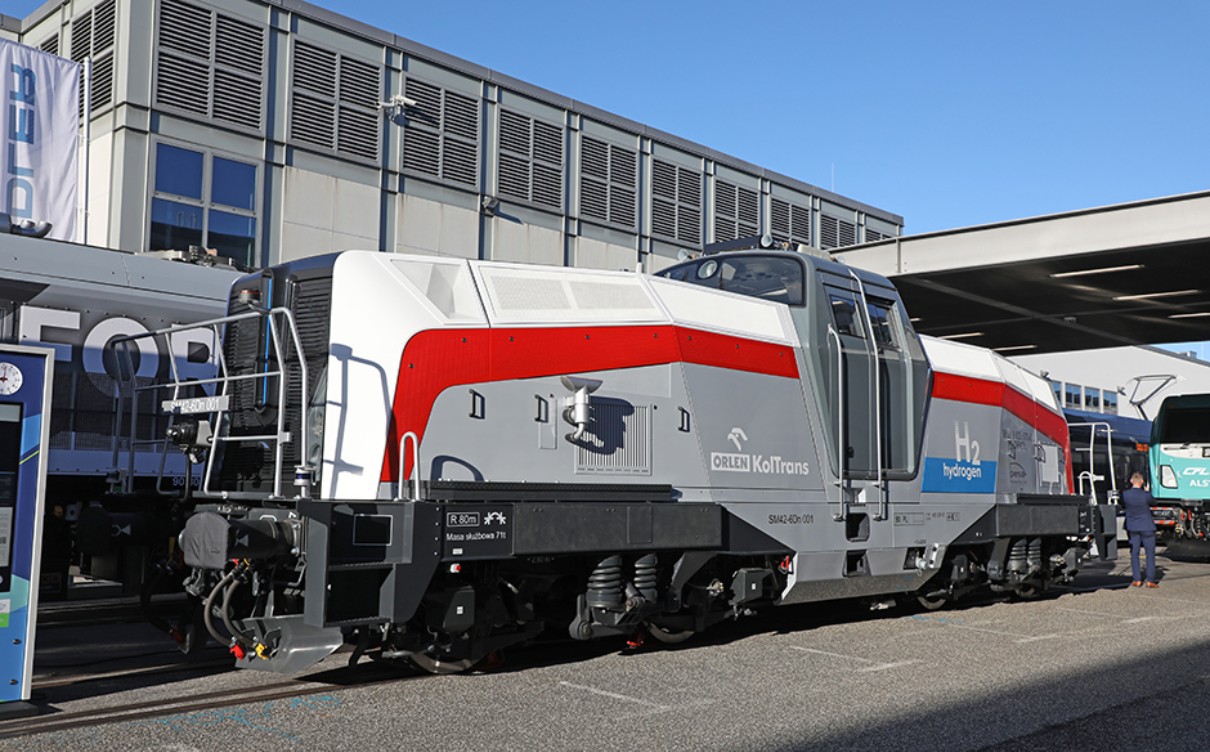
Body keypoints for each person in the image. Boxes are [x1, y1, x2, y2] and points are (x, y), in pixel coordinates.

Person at [1121, 472, 1159, 587]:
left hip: (1132, 526)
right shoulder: (1146, 495)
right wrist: (1147, 492)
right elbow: (1154, 503)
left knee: (1134, 552)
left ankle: (1137, 579)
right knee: (1150, 553)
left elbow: (1122, 505)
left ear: (1131, 481)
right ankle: (1150, 580)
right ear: (1142, 482)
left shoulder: (1125, 494)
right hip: (1147, 526)